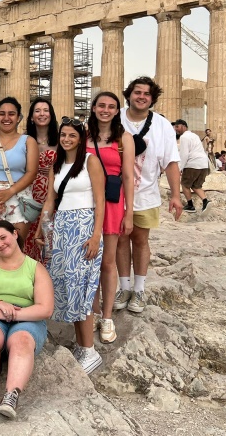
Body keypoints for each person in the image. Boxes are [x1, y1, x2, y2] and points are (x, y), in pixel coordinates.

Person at [0, 220, 54, 420]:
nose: (0, 244)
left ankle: (11, 396)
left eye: (3, 237)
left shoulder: (35, 268)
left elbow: (45, 309)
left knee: (21, 339)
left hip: (28, 318)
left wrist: (13, 314)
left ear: (15, 234)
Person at [39, 117, 105, 373]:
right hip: (63, 227)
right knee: (67, 284)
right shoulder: (56, 165)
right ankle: (81, 344)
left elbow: (100, 201)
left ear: (81, 138)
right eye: (64, 135)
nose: (67, 139)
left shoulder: (91, 161)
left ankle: (90, 350)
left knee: (82, 285)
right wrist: (43, 231)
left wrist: (96, 235)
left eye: (72, 136)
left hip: (84, 225)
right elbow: (49, 201)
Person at [116, 77, 182, 314]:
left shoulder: (162, 125)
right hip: (115, 193)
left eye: (146, 93)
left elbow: (171, 161)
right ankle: (124, 287)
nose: (141, 96)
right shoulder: (116, 117)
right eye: (137, 92)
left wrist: (176, 194)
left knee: (141, 240)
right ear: (129, 95)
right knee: (120, 241)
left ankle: (140, 288)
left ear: (152, 98)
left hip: (146, 194)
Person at [84, 92, 134, 344]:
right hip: (85, 204)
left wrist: (129, 212)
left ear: (117, 111)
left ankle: (107, 316)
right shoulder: (83, 136)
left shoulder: (124, 139)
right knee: (89, 261)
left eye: (111, 107)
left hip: (113, 205)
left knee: (107, 262)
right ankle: (91, 313)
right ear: (93, 108)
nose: (105, 110)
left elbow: (127, 177)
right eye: (101, 105)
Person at [0, 97, 39, 257]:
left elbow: (31, 172)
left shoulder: (28, 141)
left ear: (18, 117)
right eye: (2, 114)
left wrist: (9, 192)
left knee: (15, 252)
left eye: (11, 114)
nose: (6, 118)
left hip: (18, 195)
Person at [22, 97, 58, 264]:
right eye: (37, 111)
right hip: (28, 194)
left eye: (46, 110)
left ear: (51, 115)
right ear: (31, 116)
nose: (42, 114)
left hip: (52, 195)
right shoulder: (22, 140)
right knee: (27, 238)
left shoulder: (60, 141)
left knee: (48, 238)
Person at [173, 119, 211, 213]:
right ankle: (205, 201)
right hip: (203, 163)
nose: (176, 129)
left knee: (185, 184)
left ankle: (190, 205)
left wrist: (179, 167)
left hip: (193, 163)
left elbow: (184, 154)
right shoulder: (195, 135)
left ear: (183, 126)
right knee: (196, 185)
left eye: (177, 127)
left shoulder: (184, 137)